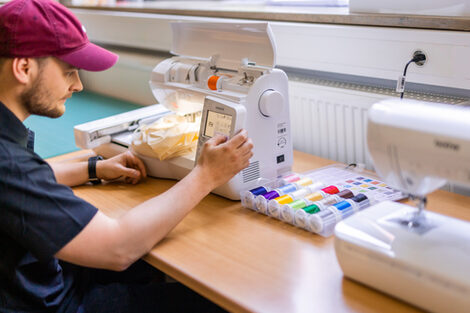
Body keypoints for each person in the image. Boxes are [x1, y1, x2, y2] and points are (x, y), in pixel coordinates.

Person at [0, 0, 254, 312]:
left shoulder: (9, 145)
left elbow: (28, 183)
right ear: (23, 68)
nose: (78, 85)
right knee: (212, 300)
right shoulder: (7, 163)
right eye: (69, 72)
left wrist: (94, 168)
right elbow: (118, 249)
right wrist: (206, 175)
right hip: (51, 304)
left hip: (38, 274)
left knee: (177, 262)